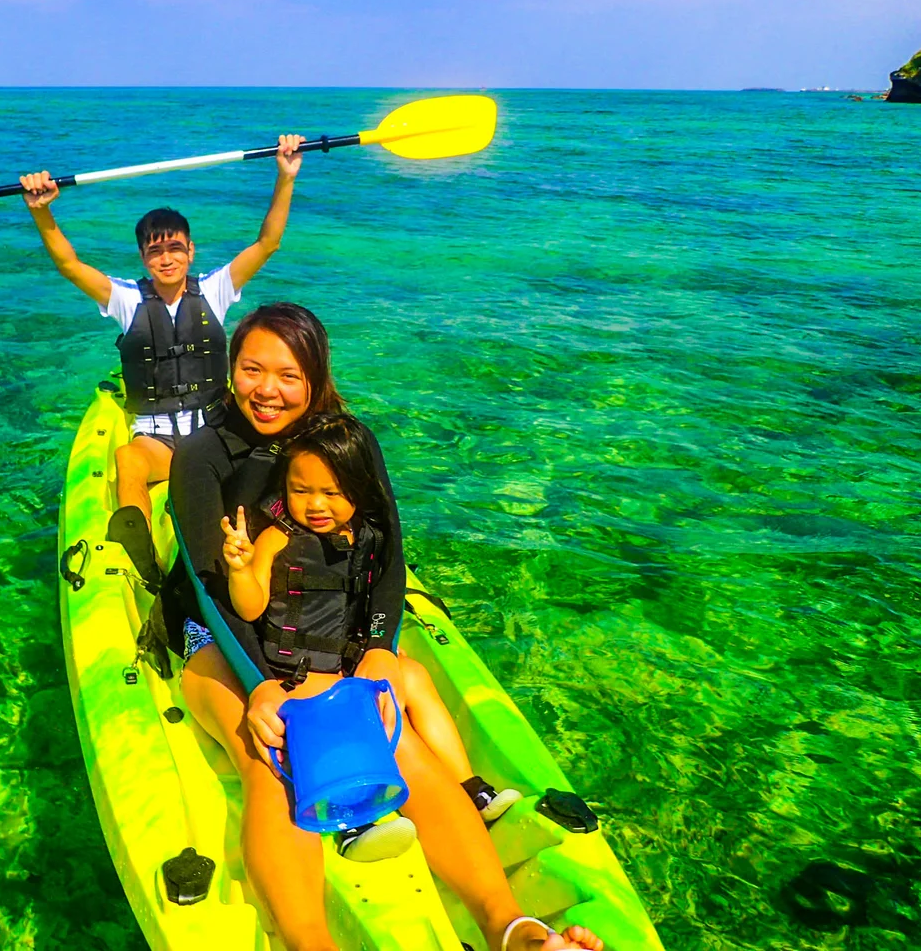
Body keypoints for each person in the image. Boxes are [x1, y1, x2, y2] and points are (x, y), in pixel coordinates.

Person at [169, 303, 604, 951]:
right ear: (231, 370)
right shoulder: (203, 456)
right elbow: (214, 590)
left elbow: (386, 557)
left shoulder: (348, 442)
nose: (266, 389)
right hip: (225, 633)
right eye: (251, 369)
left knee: (399, 742)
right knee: (271, 753)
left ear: (315, 378)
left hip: (326, 624)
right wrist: (264, 685)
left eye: (287, 374)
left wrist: (375, 650)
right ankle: (309, 941)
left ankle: (510, 927)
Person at [19, 133, 305, 588]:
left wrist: (285, 176)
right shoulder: (126, 299)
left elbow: (267, 243)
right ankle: (139, 547)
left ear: (191, 251)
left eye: (174, 248)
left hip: (213, 434)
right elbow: (70, 266)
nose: (166, 257)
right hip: (159, 443)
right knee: (127, 459)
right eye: (155, 250)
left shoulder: (216, 290)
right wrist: (42, 211)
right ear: (143, 257)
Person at [220, 413, 521, 826]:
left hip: (348, 661)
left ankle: (471, 788)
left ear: (359, 489)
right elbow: (250, 608)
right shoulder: (276, 538)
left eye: (333, 492)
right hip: (298, 671)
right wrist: (240, 569)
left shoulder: (367, 535)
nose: (316, 504)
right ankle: (355, 822)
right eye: (300, 490)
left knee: (414, 677)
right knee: (330, 715)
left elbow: (379, 591)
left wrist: (380, 650)